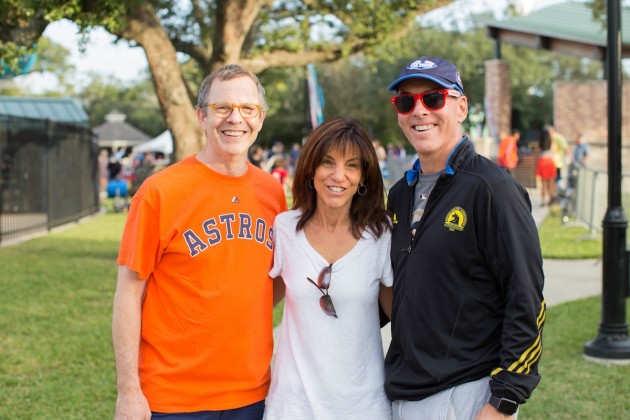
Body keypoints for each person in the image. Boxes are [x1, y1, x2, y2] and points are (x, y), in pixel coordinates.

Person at [112, 64, 287, 419]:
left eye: (247, 108)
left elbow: (273, 281)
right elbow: (129, 293)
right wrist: (129, 392)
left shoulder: (271, 192)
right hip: (173, 399)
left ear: (261, 117)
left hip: (253, 393)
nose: (235, 118)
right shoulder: (160, 192)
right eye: (222, 108)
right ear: (200, 116)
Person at [384, 56, 545, 419]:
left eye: (433, 98)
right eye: (407, 102)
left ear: (461, 106)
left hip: (467, 395)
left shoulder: (492, 189)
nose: (419, 111)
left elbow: (527, 298)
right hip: (405, 389)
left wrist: (504, 402)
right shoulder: (398, 194)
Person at [264, 116, 393, 420]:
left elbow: (404, 322)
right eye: (327, 162)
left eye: (352, 165)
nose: (338, 175)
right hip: (293, 405)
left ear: (364, 177)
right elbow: (258, 305)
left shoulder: (381, 233)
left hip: (364, 405)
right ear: (310, 169)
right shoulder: (285, 229)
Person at [536, 133, 557, 207]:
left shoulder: (539, 143)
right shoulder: (552, 142)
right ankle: (551, 199)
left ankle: (543, 201)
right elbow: (555, 150)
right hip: (550, 162)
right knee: (551, 183)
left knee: (543, 184)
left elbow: (538, 152)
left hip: (542, 162)